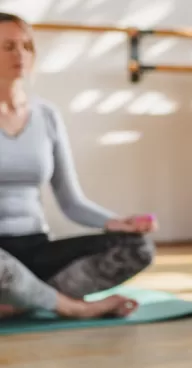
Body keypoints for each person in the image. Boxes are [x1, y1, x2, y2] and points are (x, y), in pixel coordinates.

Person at [0, 13, 157, 320]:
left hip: (35, 248)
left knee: (139, 248)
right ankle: (73, 307)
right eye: (7, 46)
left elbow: (71, 202)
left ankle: (18, 301)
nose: (20, 54)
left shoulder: (47, 116)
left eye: (26, 46)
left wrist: (119, 222)